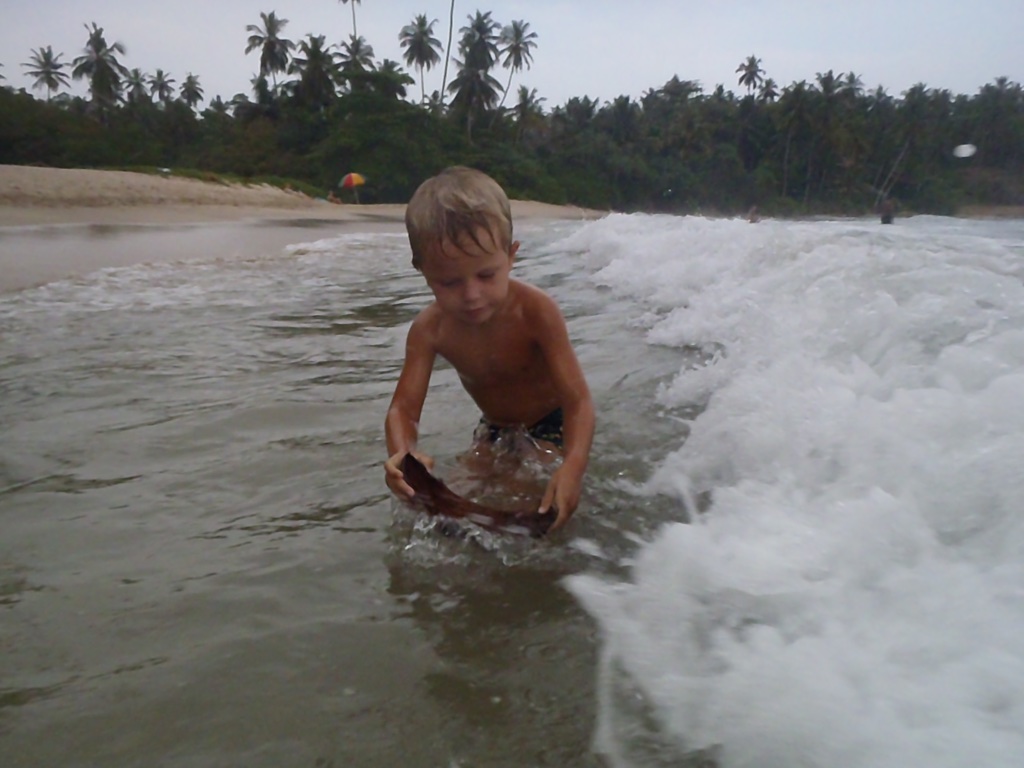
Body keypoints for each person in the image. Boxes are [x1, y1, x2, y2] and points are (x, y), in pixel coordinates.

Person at [384, 166, 595, 531]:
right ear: (421, 269)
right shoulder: (429, 330)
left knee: (532, 496)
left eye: (486, 275)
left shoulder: (536, 311)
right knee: (453, 495)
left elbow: (578, 401)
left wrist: (573, 466)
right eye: (449, 282)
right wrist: (403, 454)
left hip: (552, 424)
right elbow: (403, 408)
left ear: (511, 256)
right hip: (494, 427)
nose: (471, 295)